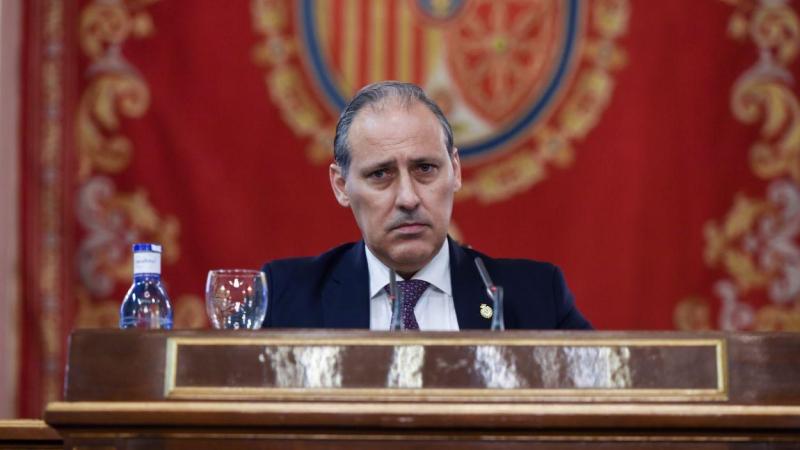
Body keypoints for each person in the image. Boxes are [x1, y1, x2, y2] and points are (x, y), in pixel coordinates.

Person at [262, 81, 591, 330]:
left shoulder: (537, 297)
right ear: (341, 186)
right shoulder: (284, 298)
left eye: (425, 169)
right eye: (380, 174)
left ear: (455, 170)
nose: (408, 198)